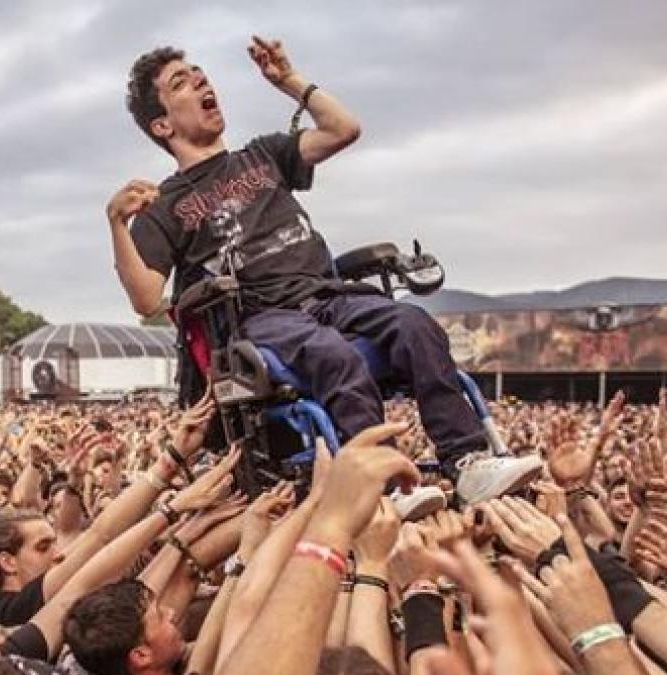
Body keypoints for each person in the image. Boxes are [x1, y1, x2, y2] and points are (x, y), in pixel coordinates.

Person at [107, 37, 542, 506]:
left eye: (198, 73)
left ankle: (467, 461)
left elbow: (343, 128)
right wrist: (116, 224)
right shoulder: (165, 205)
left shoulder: (262, 155)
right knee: (332, 353)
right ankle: (384, 485)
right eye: (181, 82)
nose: (199, 80)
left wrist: (289, 80)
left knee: (414, 323)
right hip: (262, 318)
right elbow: (146, 299)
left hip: (328, 294)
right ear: (162, 124)